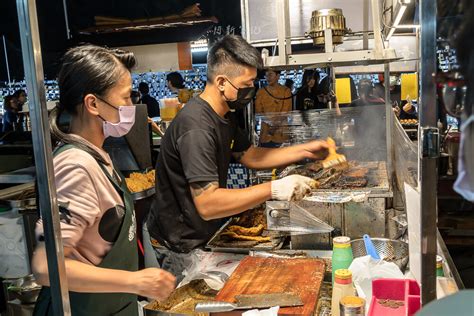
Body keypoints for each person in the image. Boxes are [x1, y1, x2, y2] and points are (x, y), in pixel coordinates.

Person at [145, 35, 332, 280]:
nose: (251, 91)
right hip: (180, 242)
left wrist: (304, 150)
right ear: (222, 82)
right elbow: (208, 204)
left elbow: (251, 155)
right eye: (247, 84)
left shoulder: (224, 113)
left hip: (203, 232)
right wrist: (275, 188)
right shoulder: (197, 127)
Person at [32, 45, 175, 316]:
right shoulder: (76, 165)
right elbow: (45, 266)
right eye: (125, 98)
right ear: (93, 104)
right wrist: (134, 281)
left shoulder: (98, 155)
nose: (131, 107)